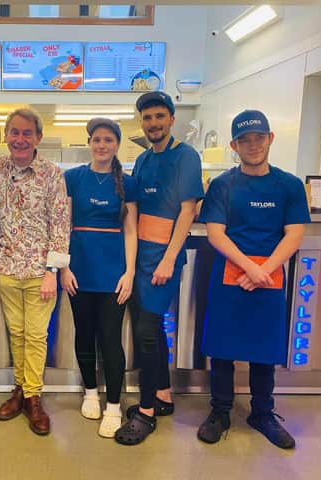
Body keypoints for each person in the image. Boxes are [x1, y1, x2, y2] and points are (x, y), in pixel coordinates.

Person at [197, 110, 310, 449]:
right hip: (231, 273)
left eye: (259, 137)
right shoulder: (223, 185)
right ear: (234, 145)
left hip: (270, 276)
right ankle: (220, 411)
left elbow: (293, 234)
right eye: (245, 140)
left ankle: (262, 412)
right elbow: (216, 234)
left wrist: (267, 269)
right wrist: (249, 267)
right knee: (222, 349)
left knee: (264, 348)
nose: (253, 145)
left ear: (270, 138)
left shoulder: (288, 185)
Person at [115, 91, 204, 446]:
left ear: (171, 119)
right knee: (146, 331)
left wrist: (169, 258)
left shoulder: (186, 157)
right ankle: (163, 394)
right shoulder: (143, 160)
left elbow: (188, 209)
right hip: (140, 259)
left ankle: (147, 412)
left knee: (148, 334)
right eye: (147, 117)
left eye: (159, 117)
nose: (153, 123)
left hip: (162, 261)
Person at [0, 108, 71, 436]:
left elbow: (60, 224)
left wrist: (53, 269)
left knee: (37, 335)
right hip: (6, 267)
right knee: (18, 335)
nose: (20, 139)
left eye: (27, 133)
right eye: (15, 132)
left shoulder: (52, 174)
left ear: (38, 138)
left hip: (42, 271)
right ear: (6, 136)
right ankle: (20, 391)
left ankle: (33, 397)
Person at [61, 118, 137, 438]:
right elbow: (62, 225)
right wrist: (64, 268)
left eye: (108, 140)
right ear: (89, 143)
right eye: (96, 139)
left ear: (117, 145)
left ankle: (114, 406)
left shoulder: (127, 183)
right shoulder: (73, 178)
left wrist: (129, 272)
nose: (102, 145)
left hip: (113, 273)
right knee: (84, 333)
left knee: (110, 338)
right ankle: (90, 391)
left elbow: (131, 230)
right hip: (79, 270)